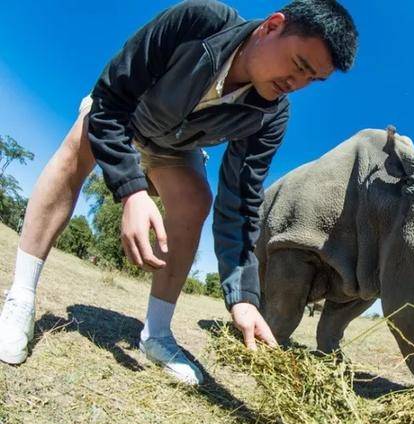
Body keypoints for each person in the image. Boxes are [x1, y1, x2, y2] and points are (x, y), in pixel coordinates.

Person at [0, 0, 358, 385]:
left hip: (175, 147)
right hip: (125, 114)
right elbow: (109, 103)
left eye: (312, 80)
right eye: (300, 64)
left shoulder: (272, 115)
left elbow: (241, 202)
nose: (297, 83)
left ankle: (156, 334)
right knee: (80, 141)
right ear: (272, 26)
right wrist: (131, 191)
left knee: (196, 200)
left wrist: (243, 298)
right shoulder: (198, 20)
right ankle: (20, 296)